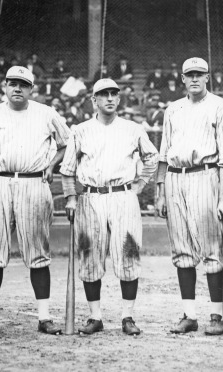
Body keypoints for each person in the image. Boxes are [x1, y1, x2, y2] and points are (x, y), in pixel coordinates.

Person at [0, 66, 71, 336]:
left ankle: (44, 317)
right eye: (12, 83)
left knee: (38, 253)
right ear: (4, 86)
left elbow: (68, 143)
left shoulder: (46, 113)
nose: (17, 88)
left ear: (31, 89)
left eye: (23, 85)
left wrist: (52, 165)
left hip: (34, 183)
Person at [60, 78, 159, 336]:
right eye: (104, 95)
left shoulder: (132, 128)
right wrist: (71, 198)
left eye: (114, 94)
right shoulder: (80, 130)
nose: (110, 99)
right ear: (94, 100)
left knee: (128, 254)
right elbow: (68, 169)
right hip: (91, 198)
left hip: (123, 196)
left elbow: (152, 157)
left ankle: (127, 315)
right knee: (90, 256)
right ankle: (96, 317)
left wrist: (140, 184)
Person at [155, 57, 223, 336]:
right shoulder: (173, 109)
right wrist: (160, 190)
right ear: (182, 78)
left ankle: (216, 314)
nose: (195, 79)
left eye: (200, 74)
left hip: (205, 175)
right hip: (175, 178)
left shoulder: (220, 106)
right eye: (189, 74)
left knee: (212, 249)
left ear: (208, 77)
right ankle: (189, 315)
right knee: (181, 250)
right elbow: (163, 153)